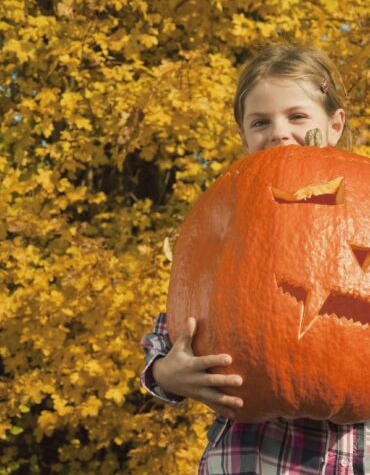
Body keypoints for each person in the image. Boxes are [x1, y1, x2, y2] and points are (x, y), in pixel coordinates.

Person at [140, 44, 370, 474]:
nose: (280, 132)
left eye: (297, 117)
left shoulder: (364, 200)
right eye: (261, 122)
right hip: (253, 458)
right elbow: (182, 319)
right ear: (245, 135)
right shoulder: (227, 212)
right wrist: (166, 375)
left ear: (335, 124)